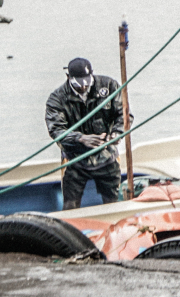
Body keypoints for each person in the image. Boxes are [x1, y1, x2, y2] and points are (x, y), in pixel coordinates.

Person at [45, 57, 127, 208]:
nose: (83, 87)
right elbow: (56, 130)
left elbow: (124, 114)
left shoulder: (109, 86)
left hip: (107, 156)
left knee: (114, 203)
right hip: (74, 161)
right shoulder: (57, 99)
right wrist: (80, 139)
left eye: (86, 82)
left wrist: (117, 133)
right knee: (70, 205)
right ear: (68, 77)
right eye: (78, 84)